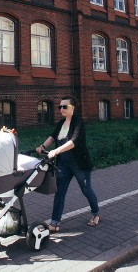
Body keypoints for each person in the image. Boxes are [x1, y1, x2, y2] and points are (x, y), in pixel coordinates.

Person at [36, 96, 100, 232]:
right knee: (59, 192)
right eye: (60, 107)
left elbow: (74, 141)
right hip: (63, 164)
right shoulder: (61, 123)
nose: (62, 109)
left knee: (86, 190)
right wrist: (42, 146)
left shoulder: (79, 123)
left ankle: (95, 213)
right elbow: (53, 136)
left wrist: (56, 151)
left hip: (79, 164)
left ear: (73, 108)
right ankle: (54, 223)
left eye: (65, 106)